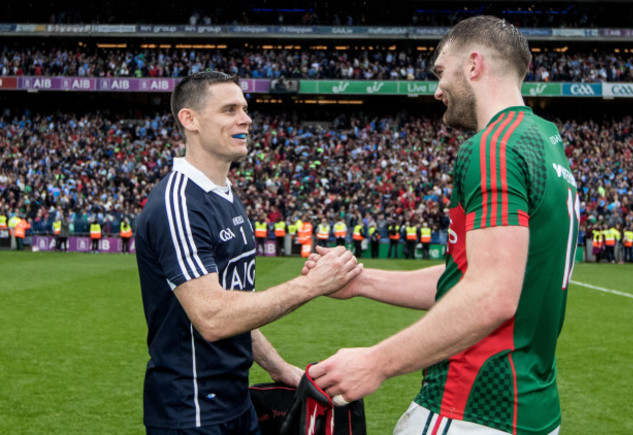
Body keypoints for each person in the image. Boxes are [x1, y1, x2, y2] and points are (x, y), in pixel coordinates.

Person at [307, 16, 579, 435]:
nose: (436, 90)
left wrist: (375, 362)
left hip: (471, 404)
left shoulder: (493, 146)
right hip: (532, 410)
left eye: (440, 72)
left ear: (473, 65)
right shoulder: (545, 139)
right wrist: (362, 282)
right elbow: (476, 274)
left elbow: (491, 295)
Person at [134, 71, 361, 435]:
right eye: (229, 109)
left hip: (236, 402)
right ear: (189, 120)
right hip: (191, 409)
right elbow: (213, 317)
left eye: (244, 108)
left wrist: (278, 368)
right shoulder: (177, 203)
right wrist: (311, 285)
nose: (246, 118)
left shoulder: (227, 196)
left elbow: (237, 308)